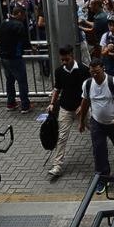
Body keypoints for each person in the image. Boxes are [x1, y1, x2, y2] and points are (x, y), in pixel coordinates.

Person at [78, 58, 114, 195]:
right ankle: (102, 177)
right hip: (96, 123)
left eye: (97, 71)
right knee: (99, 150)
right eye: (92, 72)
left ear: (103, 69)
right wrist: (82, 121)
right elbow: (85, 102)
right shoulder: (87, 84)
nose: (94, 75)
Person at [47, 45, 90, 178]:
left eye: (67, 59)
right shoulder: (59, 71)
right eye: (62, 60)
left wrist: (82, 107)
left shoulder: (83, 70)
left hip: (82, 108)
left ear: (72, 56)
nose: (64, 62)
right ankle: (57, 165)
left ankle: (101, 150)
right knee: (62, 137)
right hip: (65, 108)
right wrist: (52, 104)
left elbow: (88, 90)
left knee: (95, 130)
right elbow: (57, 89)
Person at [0, 6, 34, 113]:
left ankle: (11, 103)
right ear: (18, 14)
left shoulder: (4, 22)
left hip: (4, 56)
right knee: (22, 81)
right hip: (15, 57)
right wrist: (31, 48)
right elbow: (24, 41)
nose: (23, 18)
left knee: (10, 81)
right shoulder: (19, 25)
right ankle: (25, 105)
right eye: (23, 15)